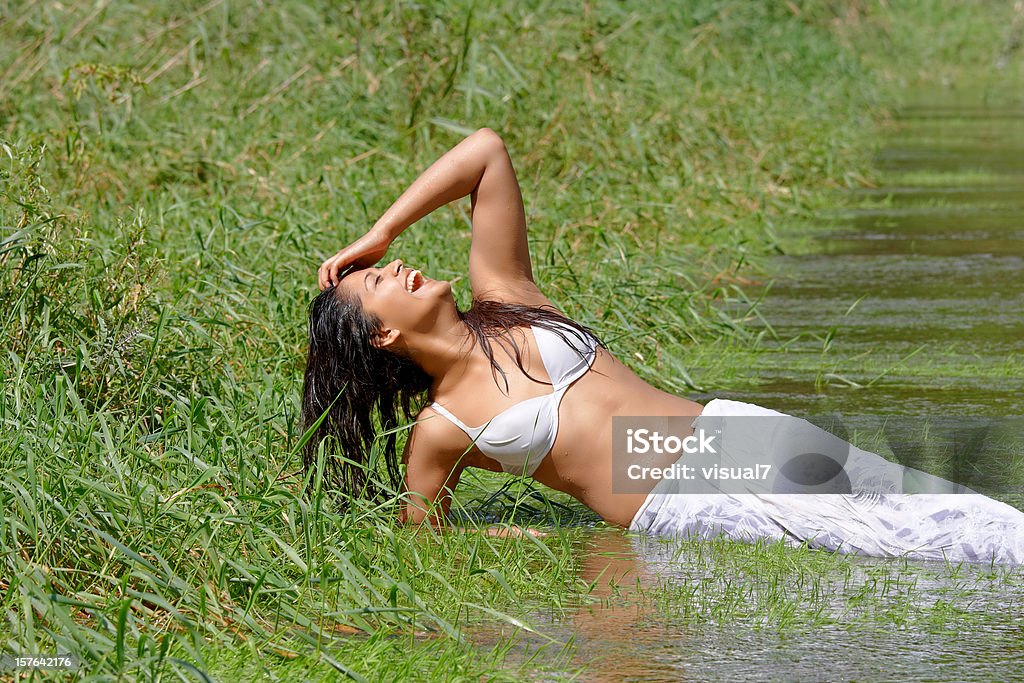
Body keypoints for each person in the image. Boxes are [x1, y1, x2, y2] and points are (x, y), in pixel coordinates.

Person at [304, 128, 1024, 565]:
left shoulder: (507, 296)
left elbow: (485, 152)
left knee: (933, 508)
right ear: (383, 334)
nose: (393, 267)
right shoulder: (444, 427)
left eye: (383, 262)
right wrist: (524, 538)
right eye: (375, 280)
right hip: (670, 505)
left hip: (730, 435)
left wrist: (381, 229)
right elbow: (423, 534)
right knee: (897, 562)